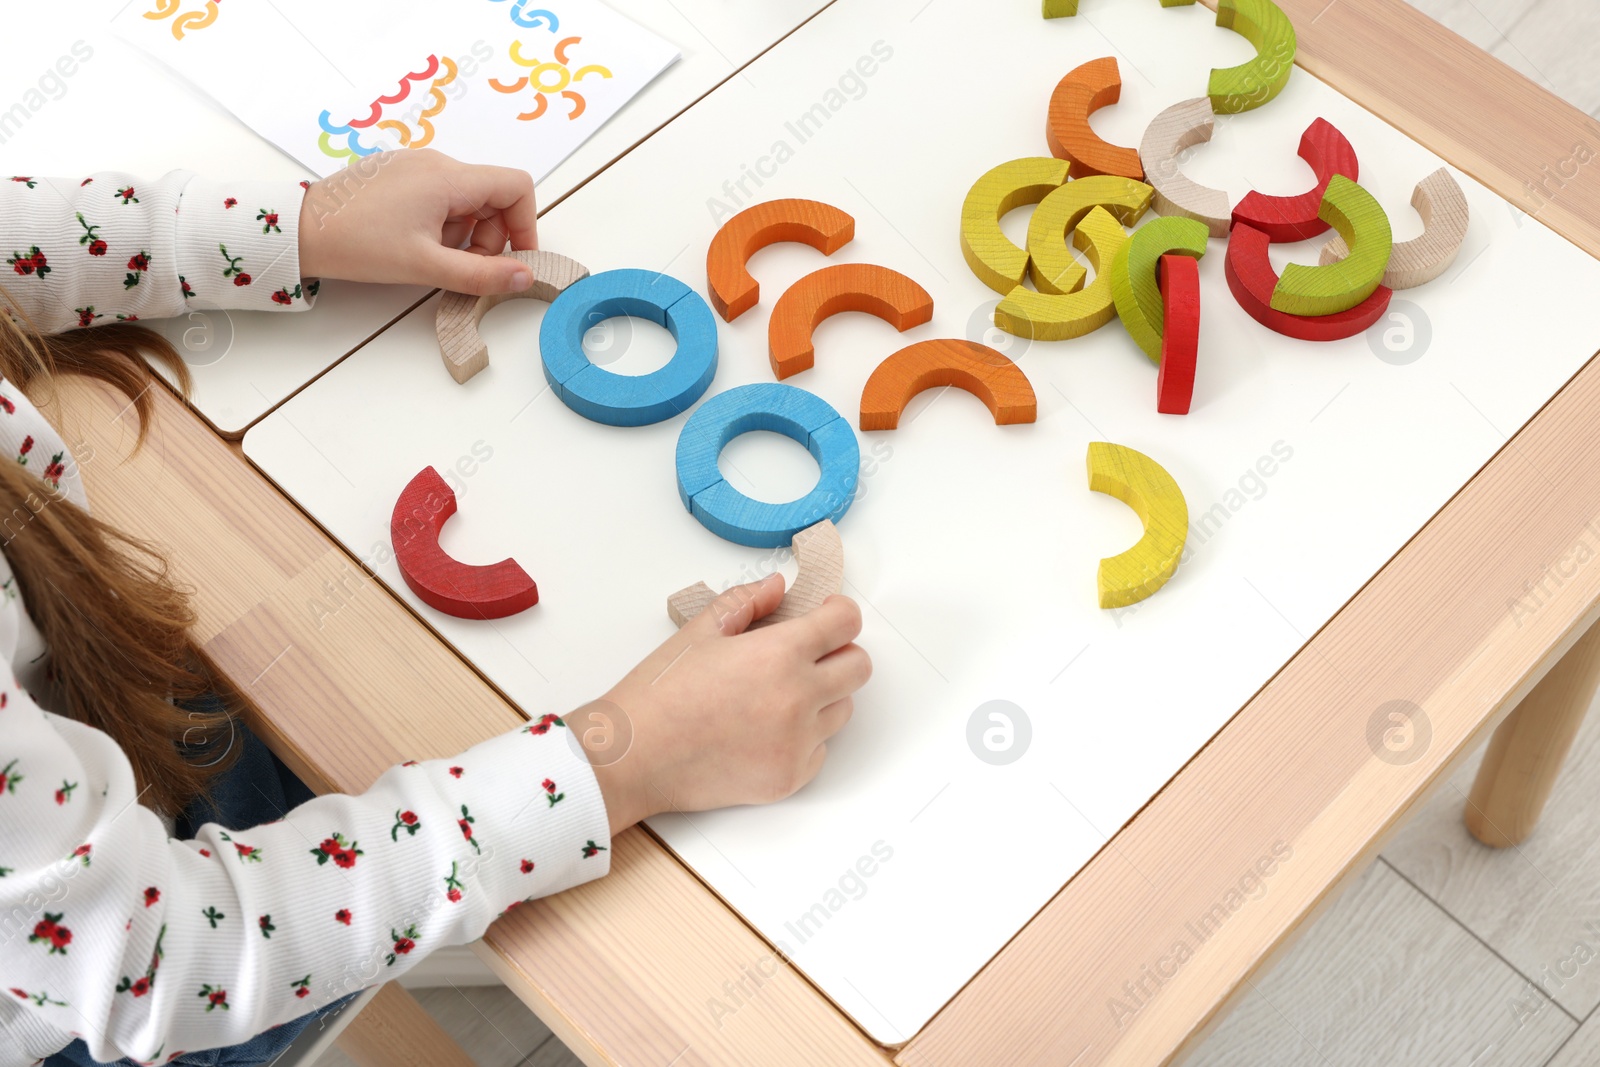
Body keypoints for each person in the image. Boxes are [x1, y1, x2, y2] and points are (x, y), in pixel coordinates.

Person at [0, 150, 871, 1067]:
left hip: (76, 726)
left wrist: (293, 226)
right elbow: (158, 965)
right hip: (126, 985)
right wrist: (626, 759)